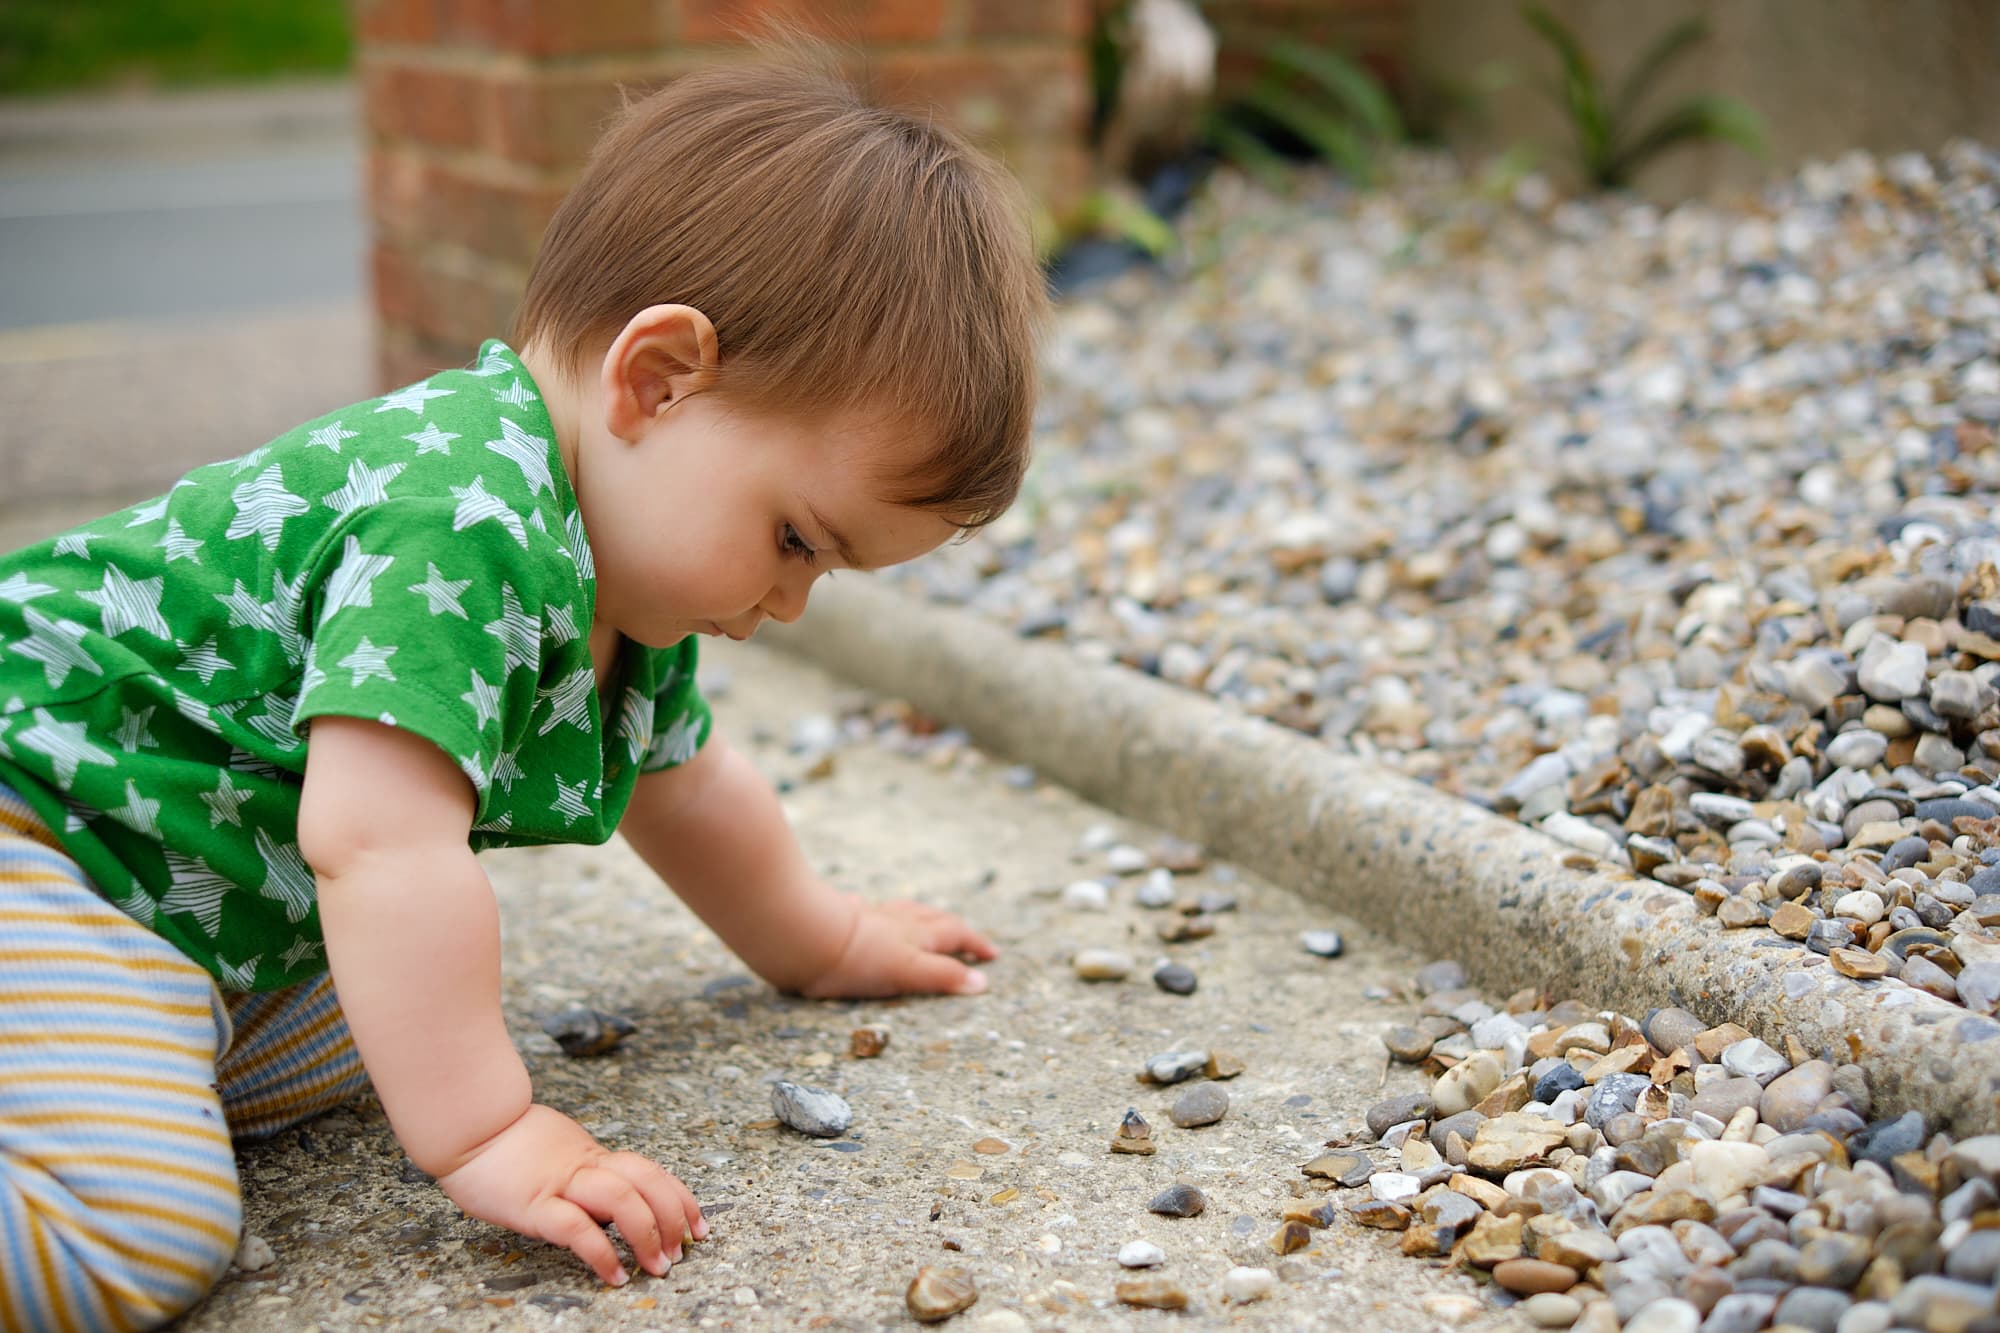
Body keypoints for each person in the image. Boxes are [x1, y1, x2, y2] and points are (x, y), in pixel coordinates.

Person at [0, 51, 1045, 1330]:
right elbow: (375, 841)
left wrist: (819, 939)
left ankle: (107, 1047)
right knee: (138, 1229)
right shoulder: (466, 518)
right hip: (46, 823)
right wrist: (492, 1131)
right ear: (656, 378)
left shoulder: (626, 571)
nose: (788, 605)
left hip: (170, 880)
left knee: (380, 1027)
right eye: (795, 540)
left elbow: (685, 784)